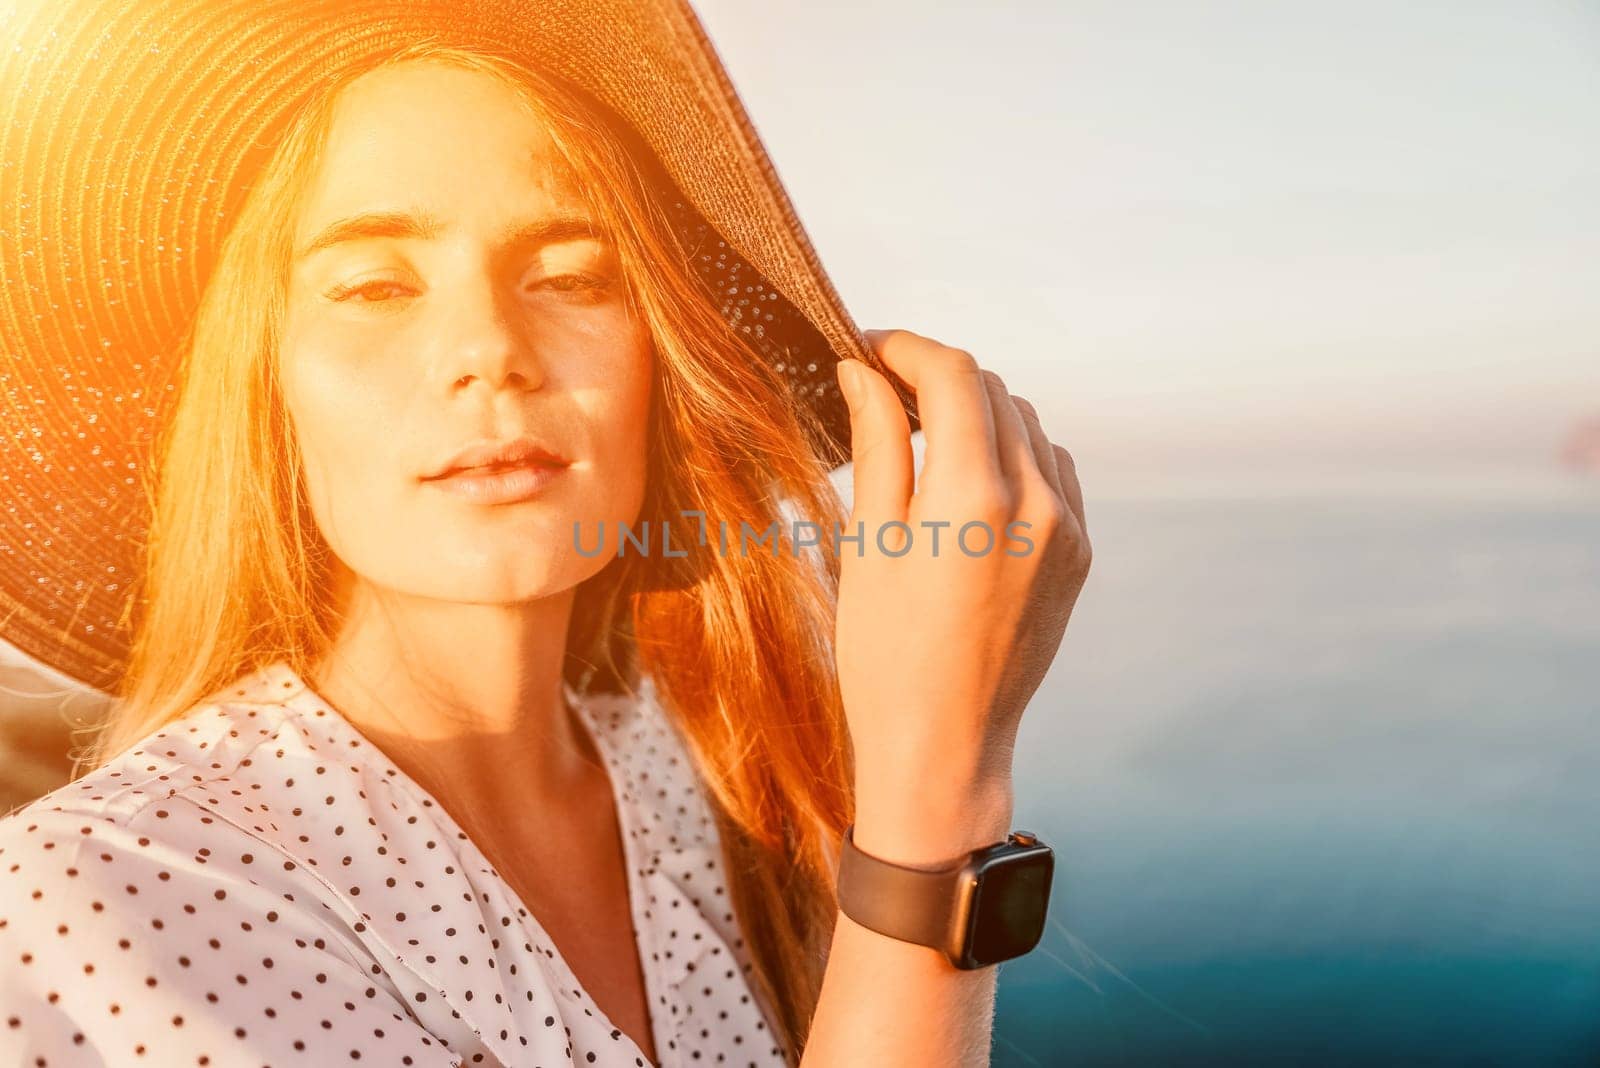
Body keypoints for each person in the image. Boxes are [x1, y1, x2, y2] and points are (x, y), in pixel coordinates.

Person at [0, 7, 1090, 1067]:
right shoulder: (113, 898)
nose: (489, 349)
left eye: (571, 277)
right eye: (376, 285)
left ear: (659, 363)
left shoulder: (698, 782)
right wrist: (933, 789)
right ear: (266, 389)